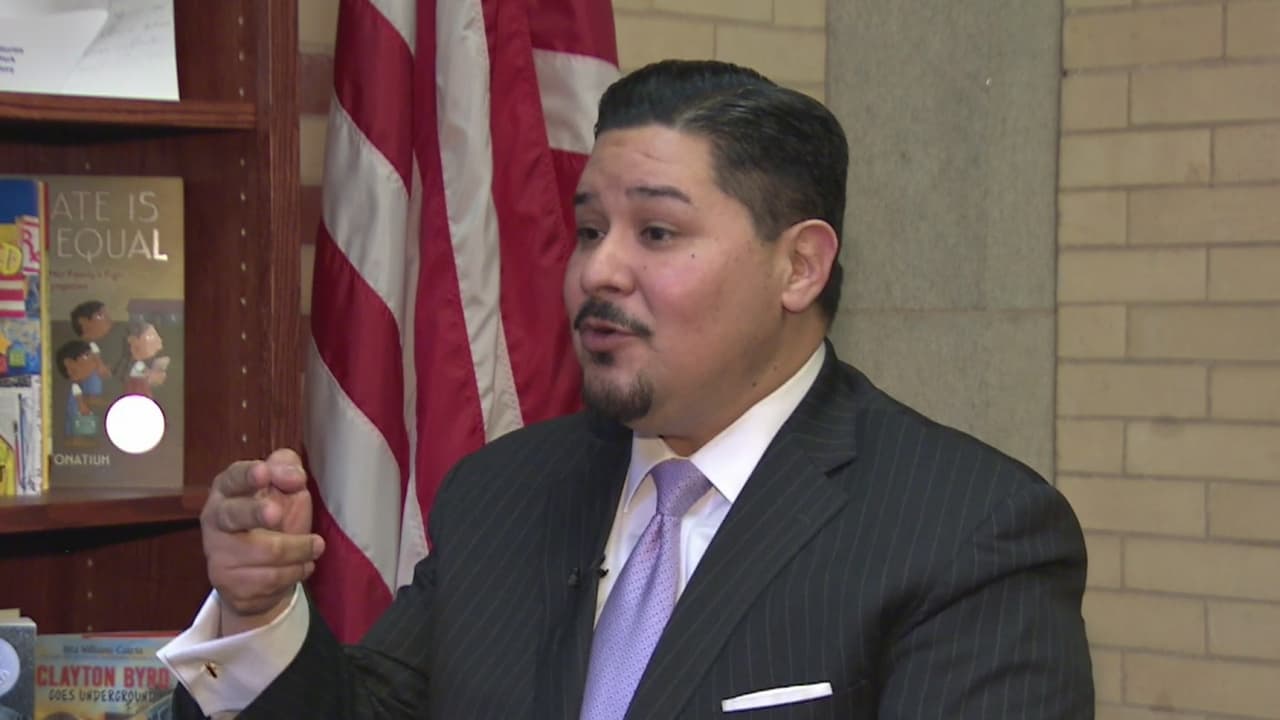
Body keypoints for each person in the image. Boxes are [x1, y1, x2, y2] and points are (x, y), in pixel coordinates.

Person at [159, 59, 1093, 719]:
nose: (597, 272)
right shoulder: (503, 495)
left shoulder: (968, 531)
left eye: (656, 233)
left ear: (800, 266)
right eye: (589, 229)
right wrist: (259, 615)